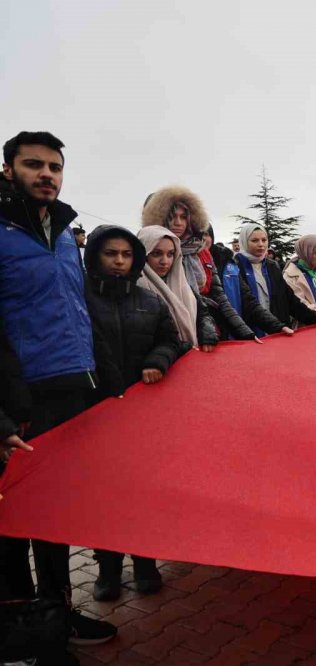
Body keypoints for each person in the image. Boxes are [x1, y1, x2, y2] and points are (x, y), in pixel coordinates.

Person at [0, 131, 118, 648]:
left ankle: (58, 612)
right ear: (9, 170)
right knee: (12, 522)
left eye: (55, 167)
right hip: (17, 398)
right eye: (33, 165)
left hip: (72, 389)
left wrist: (105, 384)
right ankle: (21, 629)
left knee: (57, 511)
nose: (47, 174)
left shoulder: (66, 233)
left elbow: (77, 311)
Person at [83, 225, 186, 602]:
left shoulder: (150, 301)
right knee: (103, 498)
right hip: (95, 414)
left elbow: (169, 340)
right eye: (111, 254)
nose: (119, 262)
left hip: (142, 416)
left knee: (142, 492)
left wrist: (158, 361)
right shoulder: (78, 299)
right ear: (95, 256)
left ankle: (145, 563)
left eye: (126, 256)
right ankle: (108, 570)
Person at [142, 186, 258, 342]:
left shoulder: (202, 252)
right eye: (171, 217)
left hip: (204, 333)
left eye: (183, 217)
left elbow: (219, 297)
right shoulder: (144, 251)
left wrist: (245, 332)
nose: (178, 223)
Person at [235, 223, 316, 332]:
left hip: (278, 331)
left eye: (264, 240)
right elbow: (247, 304)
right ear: (244, 242)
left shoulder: (272, 267)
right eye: (254, 240)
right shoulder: (236, 267)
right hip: (251, 332)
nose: (261, 244)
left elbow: (290, 300)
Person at [137, 226, 218, 352]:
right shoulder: (134, 289)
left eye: (170, 254)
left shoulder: (183, 284)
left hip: (191, 359)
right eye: (157, 253)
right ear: (144, 254)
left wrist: (207, 335)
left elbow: (203, 315)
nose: (165, 261)